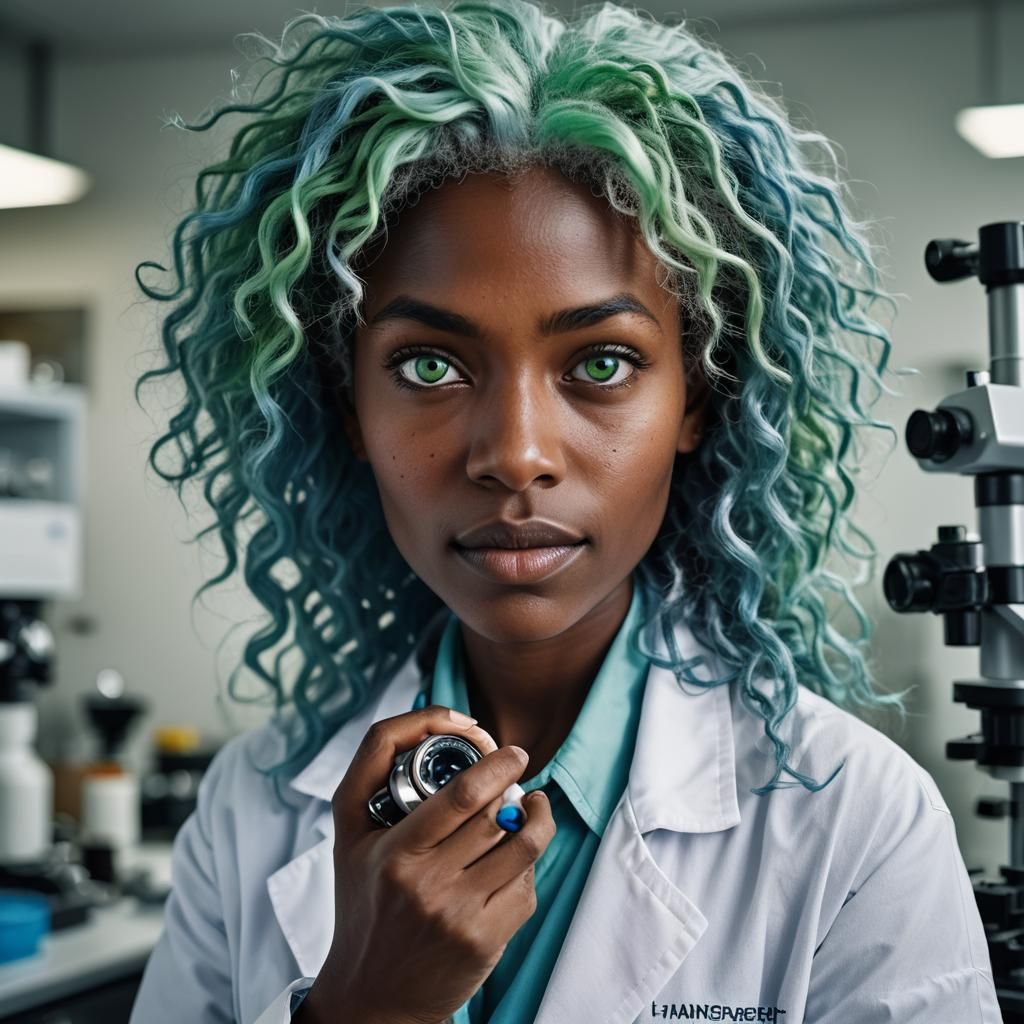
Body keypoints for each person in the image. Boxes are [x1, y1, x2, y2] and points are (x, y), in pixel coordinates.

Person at [127, 1, 1002, 1021]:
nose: (515, 455)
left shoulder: (856, 821)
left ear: (697, 399)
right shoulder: (248, 806)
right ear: (346, 406)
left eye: (600, 362)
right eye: (428, 364)